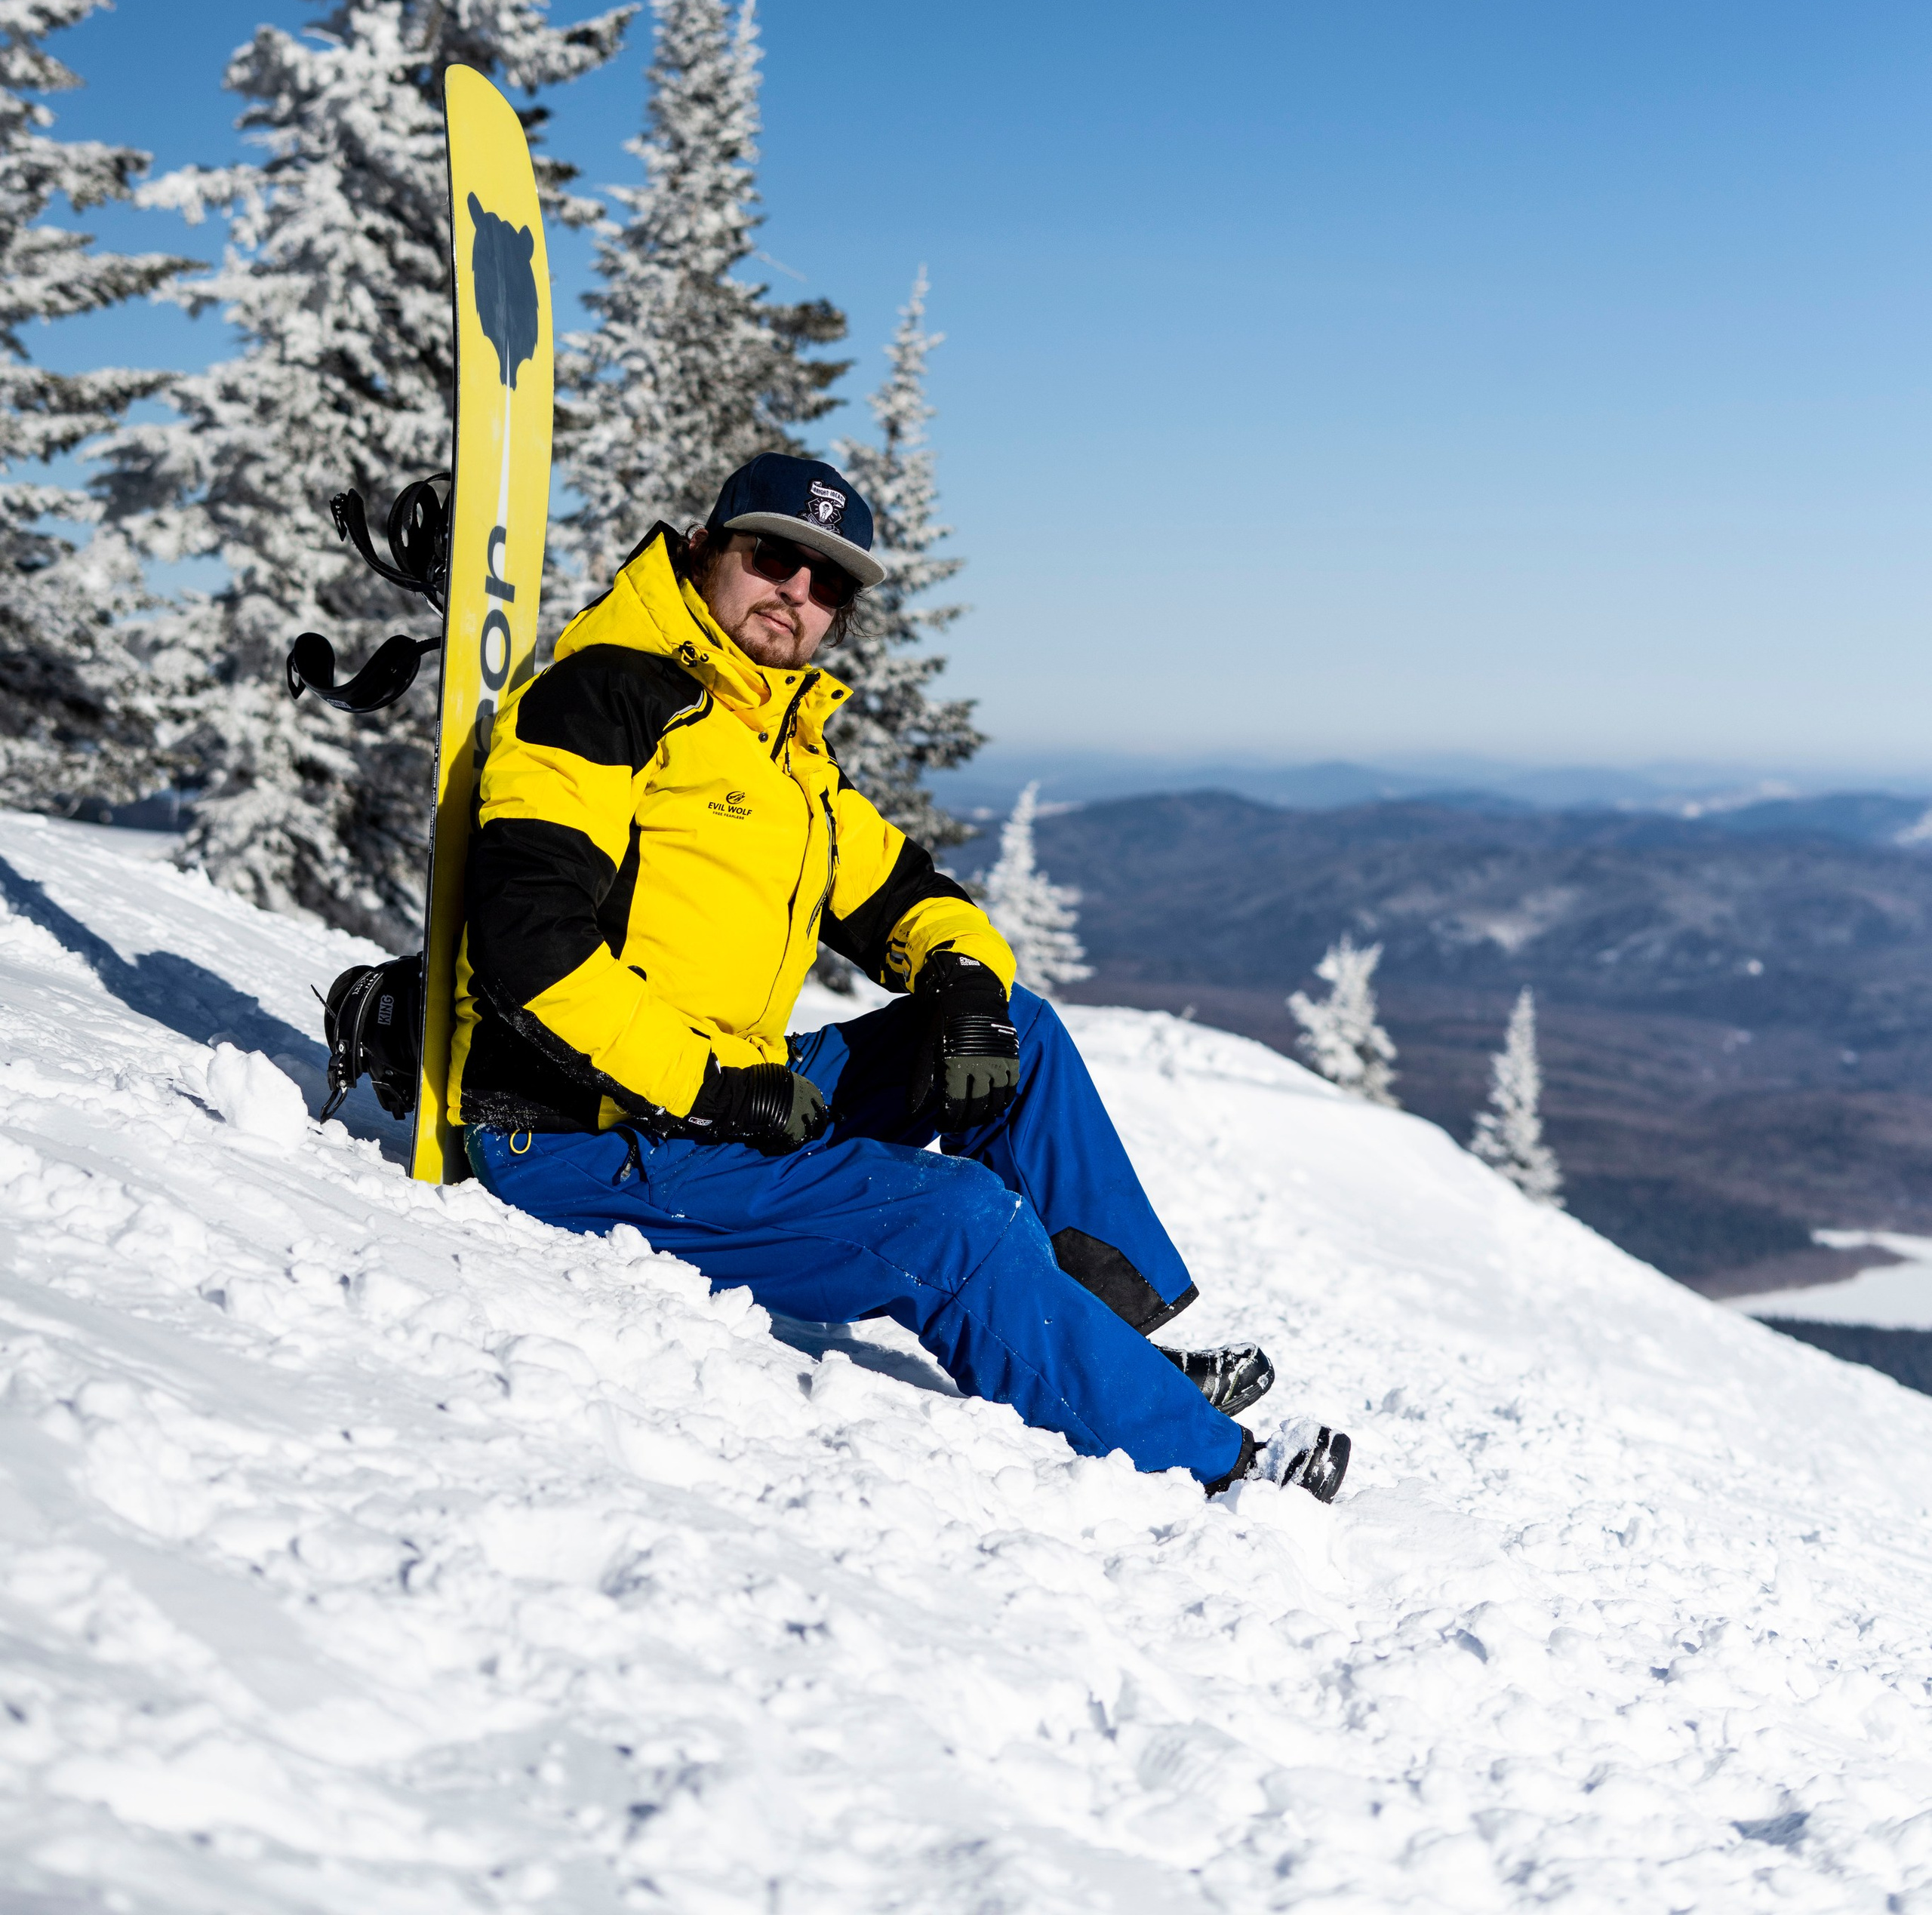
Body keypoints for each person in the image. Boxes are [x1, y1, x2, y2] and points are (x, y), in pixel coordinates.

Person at [454, 452, 1349, 1501]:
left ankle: (1105, 1351)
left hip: (721, 1105)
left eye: (826, 581)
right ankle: (1220, 1465)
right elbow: (528, 946)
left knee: (1013, 1029)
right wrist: (710, 1088)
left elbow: (901, 887)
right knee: (957, 1217)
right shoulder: (604, 698)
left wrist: (963, 981)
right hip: (589, 1135)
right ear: (705, 549)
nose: (797, 591)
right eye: (774, 556)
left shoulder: (772, 740)